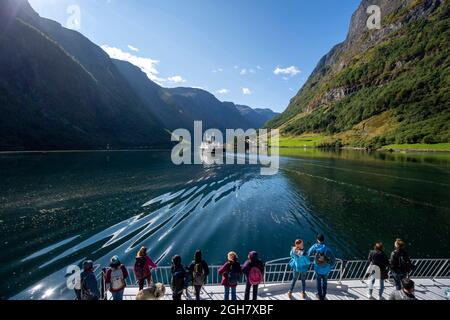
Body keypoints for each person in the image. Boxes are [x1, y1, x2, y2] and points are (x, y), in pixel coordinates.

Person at [307, 234, 335, 301]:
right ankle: (324, 295)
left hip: (318, 269)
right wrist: (330, 267)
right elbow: (333, 260)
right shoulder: (327, 249)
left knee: (318, 282)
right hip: (326, 269)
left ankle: (319, 296)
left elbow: (308, 254)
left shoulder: (314, 247)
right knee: (325, 282)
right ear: (323, 240)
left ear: (317, 239)